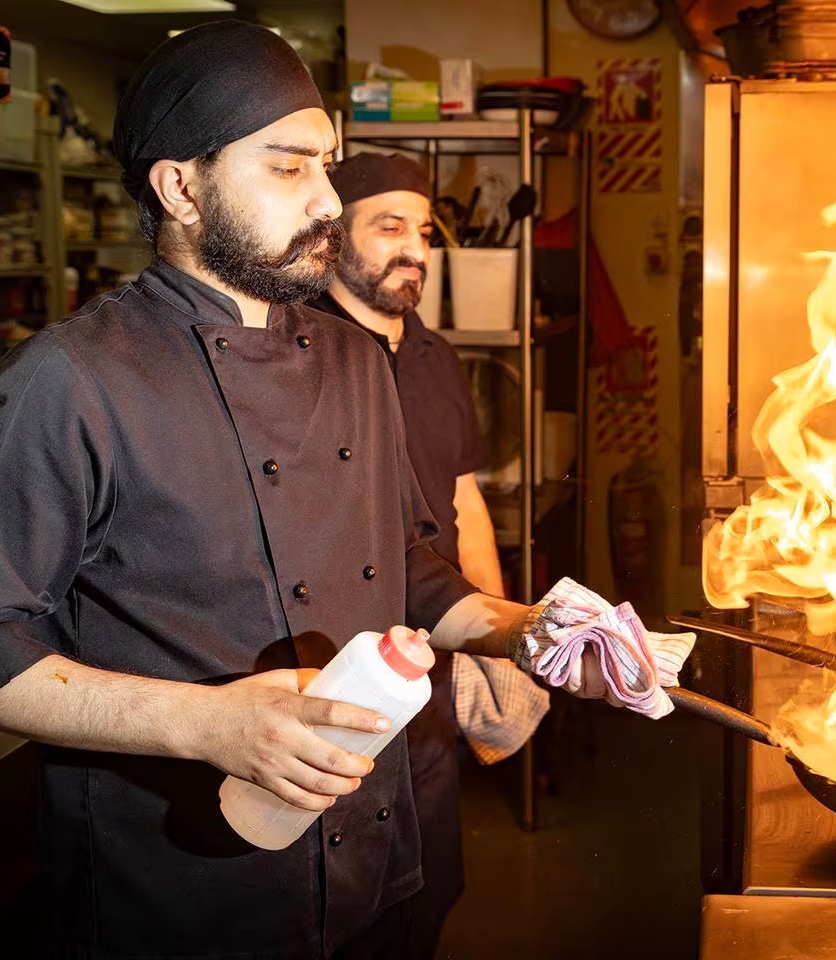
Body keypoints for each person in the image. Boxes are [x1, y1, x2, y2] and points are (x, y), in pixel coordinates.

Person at [0, 21, 689, 960]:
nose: (327, 201)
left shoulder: (355, 360)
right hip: (180, 898)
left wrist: (535, 635)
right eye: (289, 168)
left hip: (369, 858)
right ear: (181, 187)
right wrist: (212, 723)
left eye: (329, 167)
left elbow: (404, 568)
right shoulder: (70, 385)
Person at [310, 153, 549, 958]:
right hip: (338, 666)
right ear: (333, 238)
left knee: (431, 885)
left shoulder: (436, 356)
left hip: (436, 672)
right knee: (344, 909)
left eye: (422, 231)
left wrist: (507, 638)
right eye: (388, 228)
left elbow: (464, 503)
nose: (414, 249)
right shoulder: (299, 356)